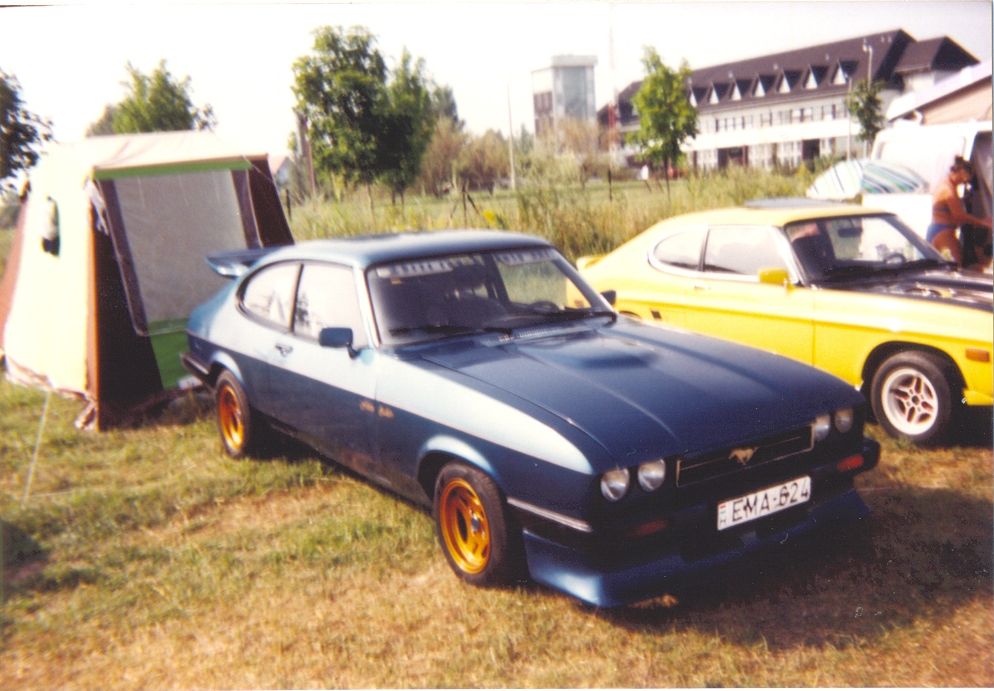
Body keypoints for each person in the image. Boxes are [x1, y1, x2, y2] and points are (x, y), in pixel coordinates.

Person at [927, 156, 992, 266]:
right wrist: (982, 222)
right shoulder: (948, 190)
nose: (965, 181)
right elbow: (959, 216)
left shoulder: (947, 185)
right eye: (965, 178)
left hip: (939, 229)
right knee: (955, 268)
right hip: (943, 232)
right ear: (961, 172)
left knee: (942, 267)